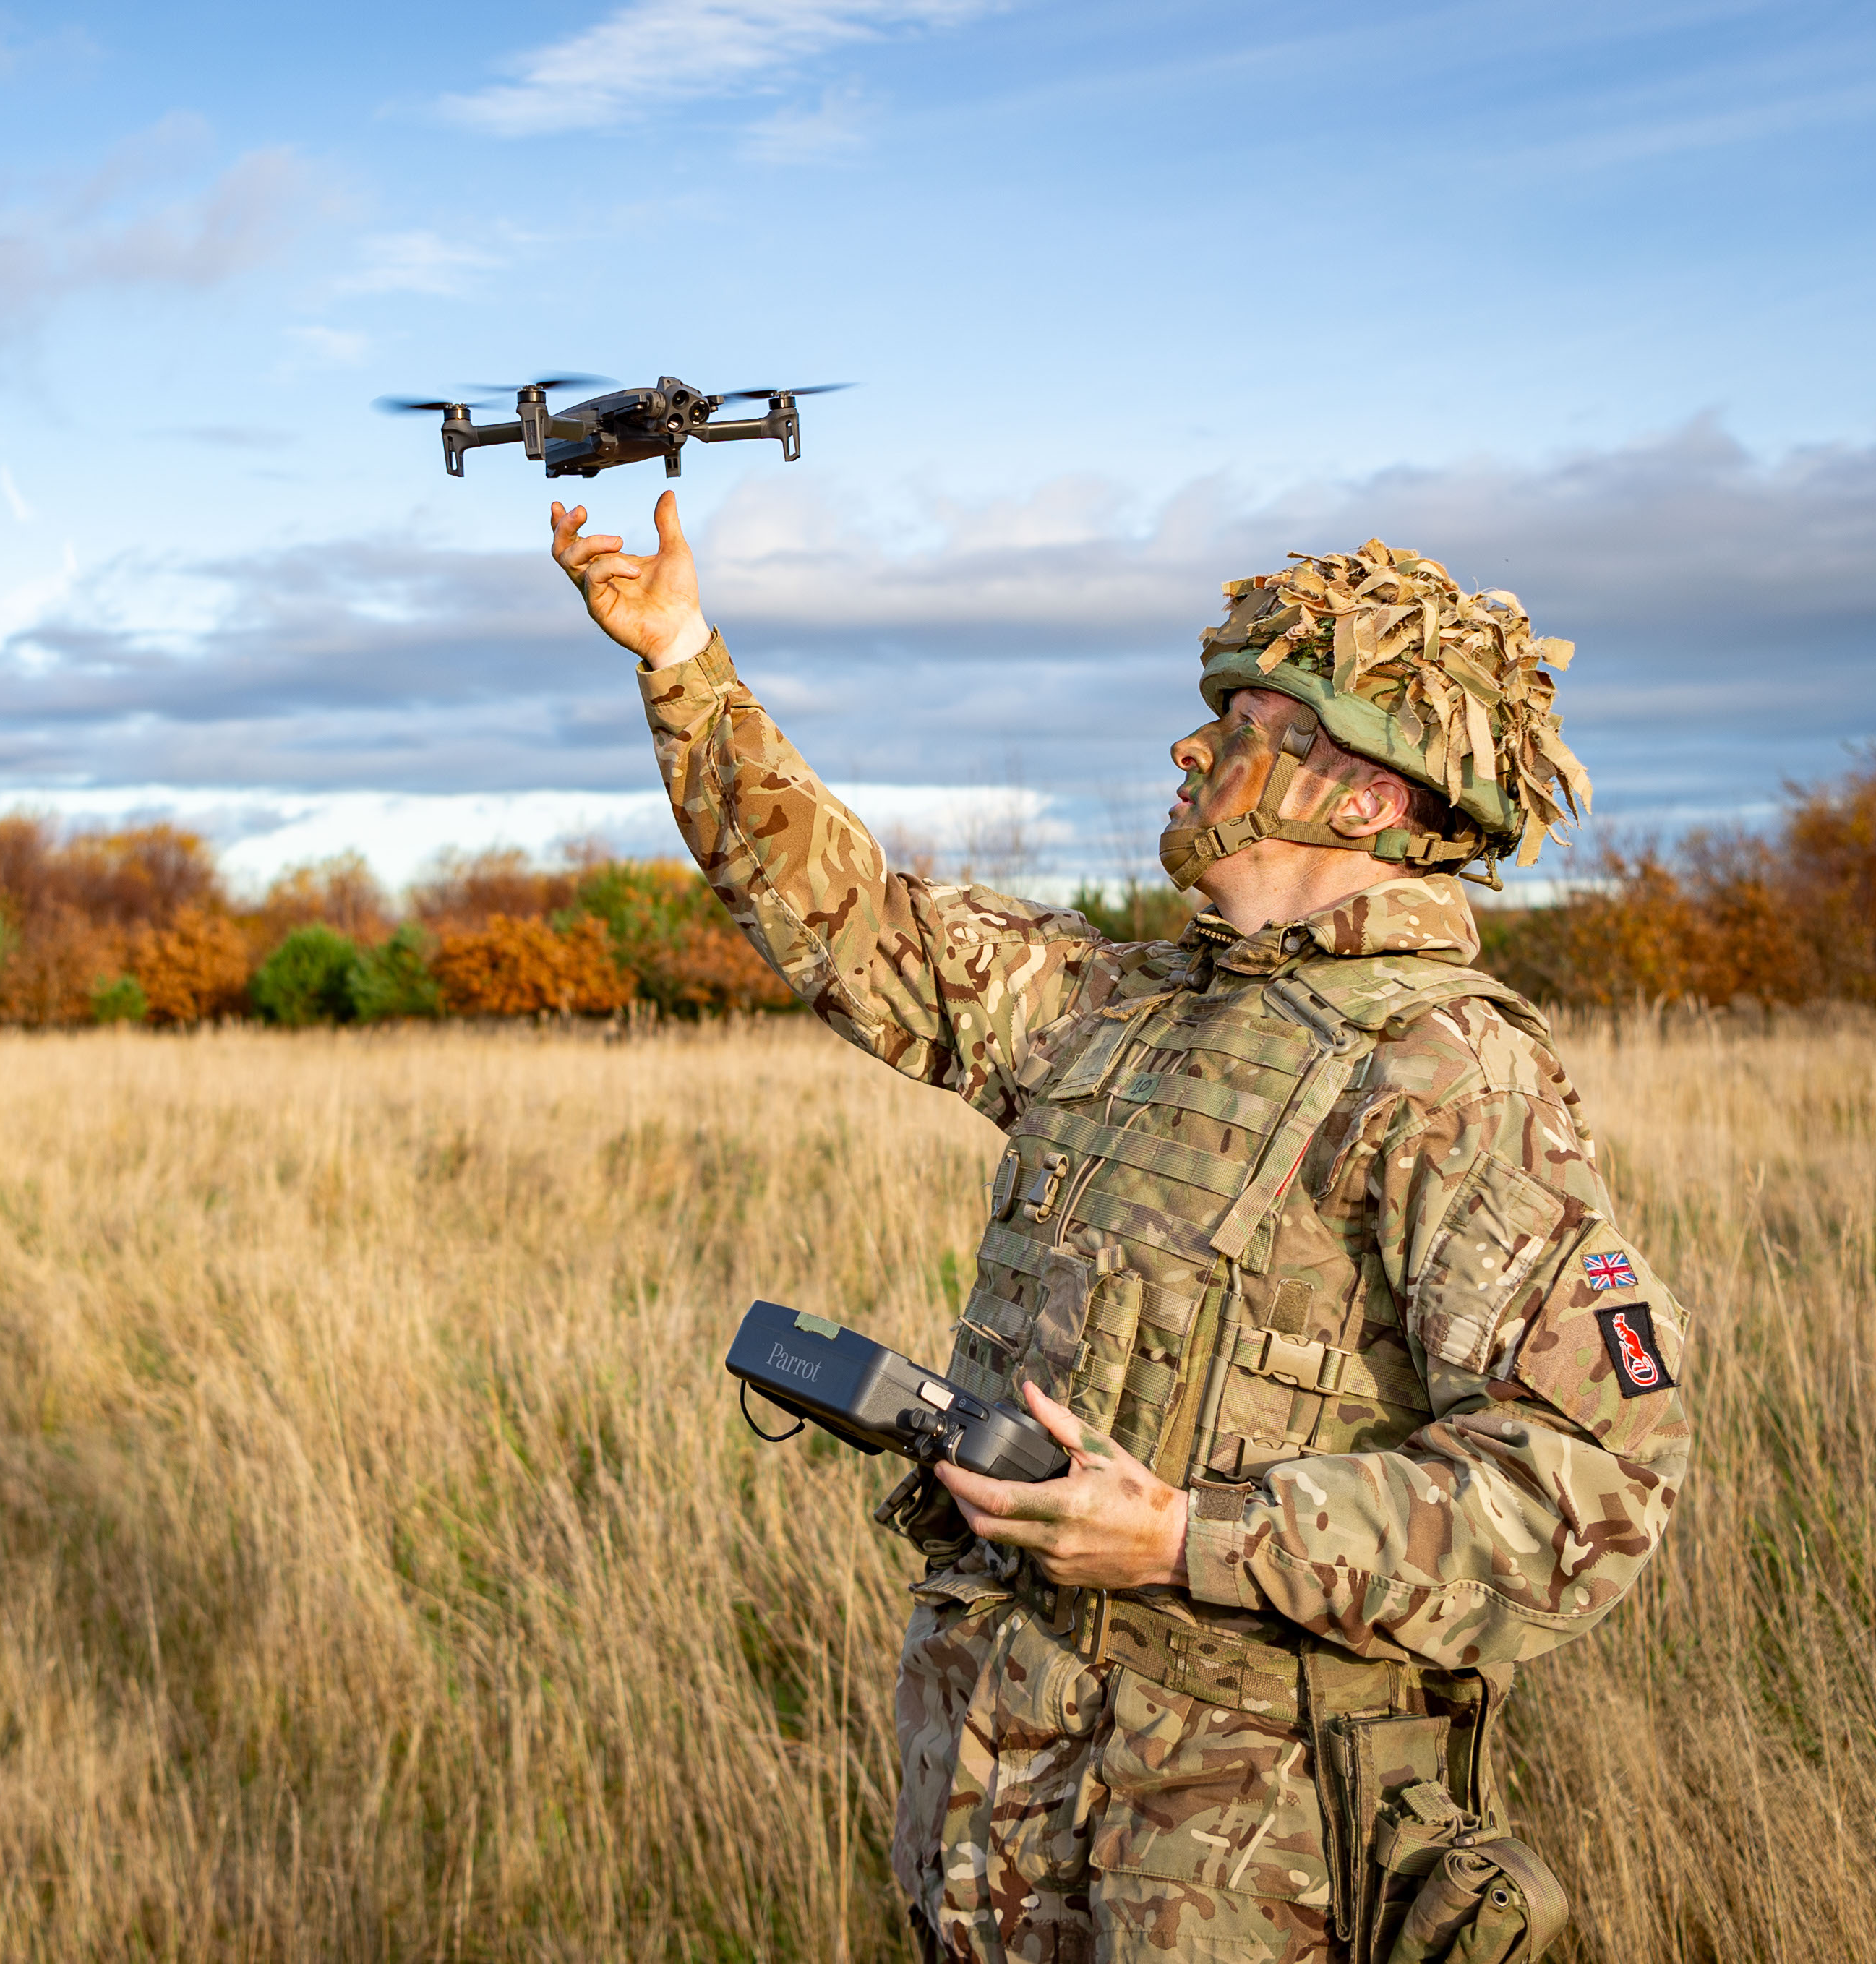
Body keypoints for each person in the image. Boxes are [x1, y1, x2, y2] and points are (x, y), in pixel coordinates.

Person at [550, 491, 1692, 1963]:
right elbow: (850, 921)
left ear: (1362, 797)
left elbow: (1592, 1489)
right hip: (1001, 1779)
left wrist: (1182, 1538)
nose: (1191, 747)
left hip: (1233, 1846)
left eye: (1247, 723)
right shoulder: (1115, 1007)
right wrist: (681, 659)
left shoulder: (1451, 1072)